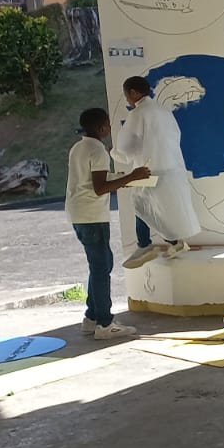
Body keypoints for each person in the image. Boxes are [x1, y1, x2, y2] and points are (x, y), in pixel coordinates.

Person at [65, 108, 151, 340]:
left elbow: (92, 180)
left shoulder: (79, 147)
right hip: (92, 215)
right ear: (101, 127)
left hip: (79, 213)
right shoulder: (98, 150)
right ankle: (105, 324)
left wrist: (122, 179)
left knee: (100, 265)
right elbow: (100, 187)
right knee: (101, 268)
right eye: (107, 125)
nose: (110, 128)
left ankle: (91, 317)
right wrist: (132, 176)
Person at [113, 75, 201, 269]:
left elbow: (126, 147)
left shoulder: (138, 113)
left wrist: (114, 153)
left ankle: (144, 245)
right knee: (162, 210)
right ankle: (174, 242)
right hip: (171, 168)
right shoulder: (164, 111)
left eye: (126, 95)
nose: (127, 99)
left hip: (149, 170)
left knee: (141, 206)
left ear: (133, 93)